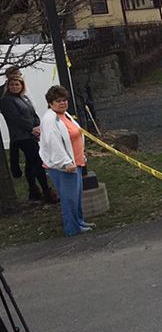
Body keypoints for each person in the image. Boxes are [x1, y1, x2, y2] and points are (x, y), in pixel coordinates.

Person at [39, 85, 93, 236]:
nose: (62, 103)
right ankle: (72, 228)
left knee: (76, 196)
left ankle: (80, 221)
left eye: (64, 100)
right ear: (50, 103)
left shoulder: (65, 115)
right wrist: (65, 163)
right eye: (58, 101)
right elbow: (53, 143)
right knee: (69, 199)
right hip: (63, 167)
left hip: (77, 162)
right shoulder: (50, 119)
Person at [1, 75, 57, 203]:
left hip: (31, 134)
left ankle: (33, 190)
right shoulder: (6, 100)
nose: (14, 87)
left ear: (22, 86)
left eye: (17, 84)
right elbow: (15, 118)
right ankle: (46, 191)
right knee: (37, 161)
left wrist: (38, 126)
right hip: (21, 136)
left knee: (31, 163)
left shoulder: (24, 97)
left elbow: (33, 114)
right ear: (8, 86)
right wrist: (31, 129)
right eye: (12, 85)